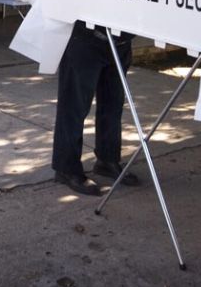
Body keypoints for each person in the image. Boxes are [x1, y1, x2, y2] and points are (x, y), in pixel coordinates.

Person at [52, 21, 141, 196]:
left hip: (120, 41)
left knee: (113, 103)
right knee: (74, 106)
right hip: (87, 36)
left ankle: (108, 160)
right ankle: (66, 168)